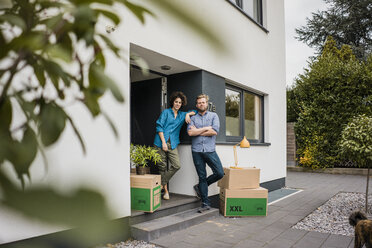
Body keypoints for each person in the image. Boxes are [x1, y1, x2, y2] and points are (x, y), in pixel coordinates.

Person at [154, 91, 195, 200]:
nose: (177, 104)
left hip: (173, 143)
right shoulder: (166, 113)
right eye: (176, 102)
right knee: (162, 167)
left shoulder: (182, 115)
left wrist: (187, 114)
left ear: (182, 104)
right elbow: (159, 127)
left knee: (176, 165)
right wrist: (163, 142)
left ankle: (161, 184)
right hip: (160, 142)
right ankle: (166, 192)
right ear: (172, 102)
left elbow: (195, 111)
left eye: (180, 102)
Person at [187, 94, 224, 212]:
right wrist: (206, 128)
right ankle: (205, 202)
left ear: (207, 103)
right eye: (199, 103)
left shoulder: (214, 116)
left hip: (210, 150)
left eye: (203, 102)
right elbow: (190, 133)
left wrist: (197, 131)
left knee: (219, 173)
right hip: (196, 151)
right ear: (196, 105)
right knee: (201, 176)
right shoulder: (192, 118)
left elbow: (214, 131)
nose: (201, 104)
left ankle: (200, 187)